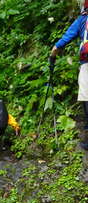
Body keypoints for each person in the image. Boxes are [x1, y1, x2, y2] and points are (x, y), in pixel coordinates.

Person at [50, 1, 88, 148]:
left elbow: (63, 40)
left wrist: (53, 55)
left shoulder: (82, 20)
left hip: (87, 64)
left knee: (87, 98)